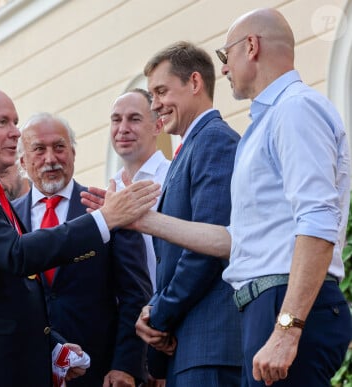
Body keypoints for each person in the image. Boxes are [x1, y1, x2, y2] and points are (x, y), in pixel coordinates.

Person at [85, 8, 352, 387]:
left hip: (284, 302)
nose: (223, 69)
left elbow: (318, 220)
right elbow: (232, 239)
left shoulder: (295, 109)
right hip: (265, 304)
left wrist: (288, 328)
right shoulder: (265, 124)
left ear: (252, 47)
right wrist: (142, 220)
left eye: (226, 57)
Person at [0, 85, 160, 386]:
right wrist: (105, 218)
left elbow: (9, 291)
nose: (15, 133)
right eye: (2, 122)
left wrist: (53, 347)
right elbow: (17, 255)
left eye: (15, 122)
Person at [12, 112, 152, 386]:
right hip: (27, 370)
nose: (50, 158)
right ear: (23, 161)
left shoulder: (106, 208)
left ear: (73, 154)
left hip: (98, 372)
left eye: (59, 147)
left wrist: (125, 366)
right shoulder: (7, 220)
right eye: (39, 149)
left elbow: (135, 294)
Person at [135, 41, 242, 386]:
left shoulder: (214, 141)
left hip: (209, 347)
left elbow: (206, 247)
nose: (155, 106)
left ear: (195, 83)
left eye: (161, 91)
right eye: (152, 96)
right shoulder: (192, 146)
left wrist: (158, 316)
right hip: (190, 348)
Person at [110, 88, 171, 292]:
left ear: (158, 126)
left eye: (134, 119)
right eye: (116, 120)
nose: (123, 129)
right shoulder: (110, 190)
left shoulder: (174, 177)